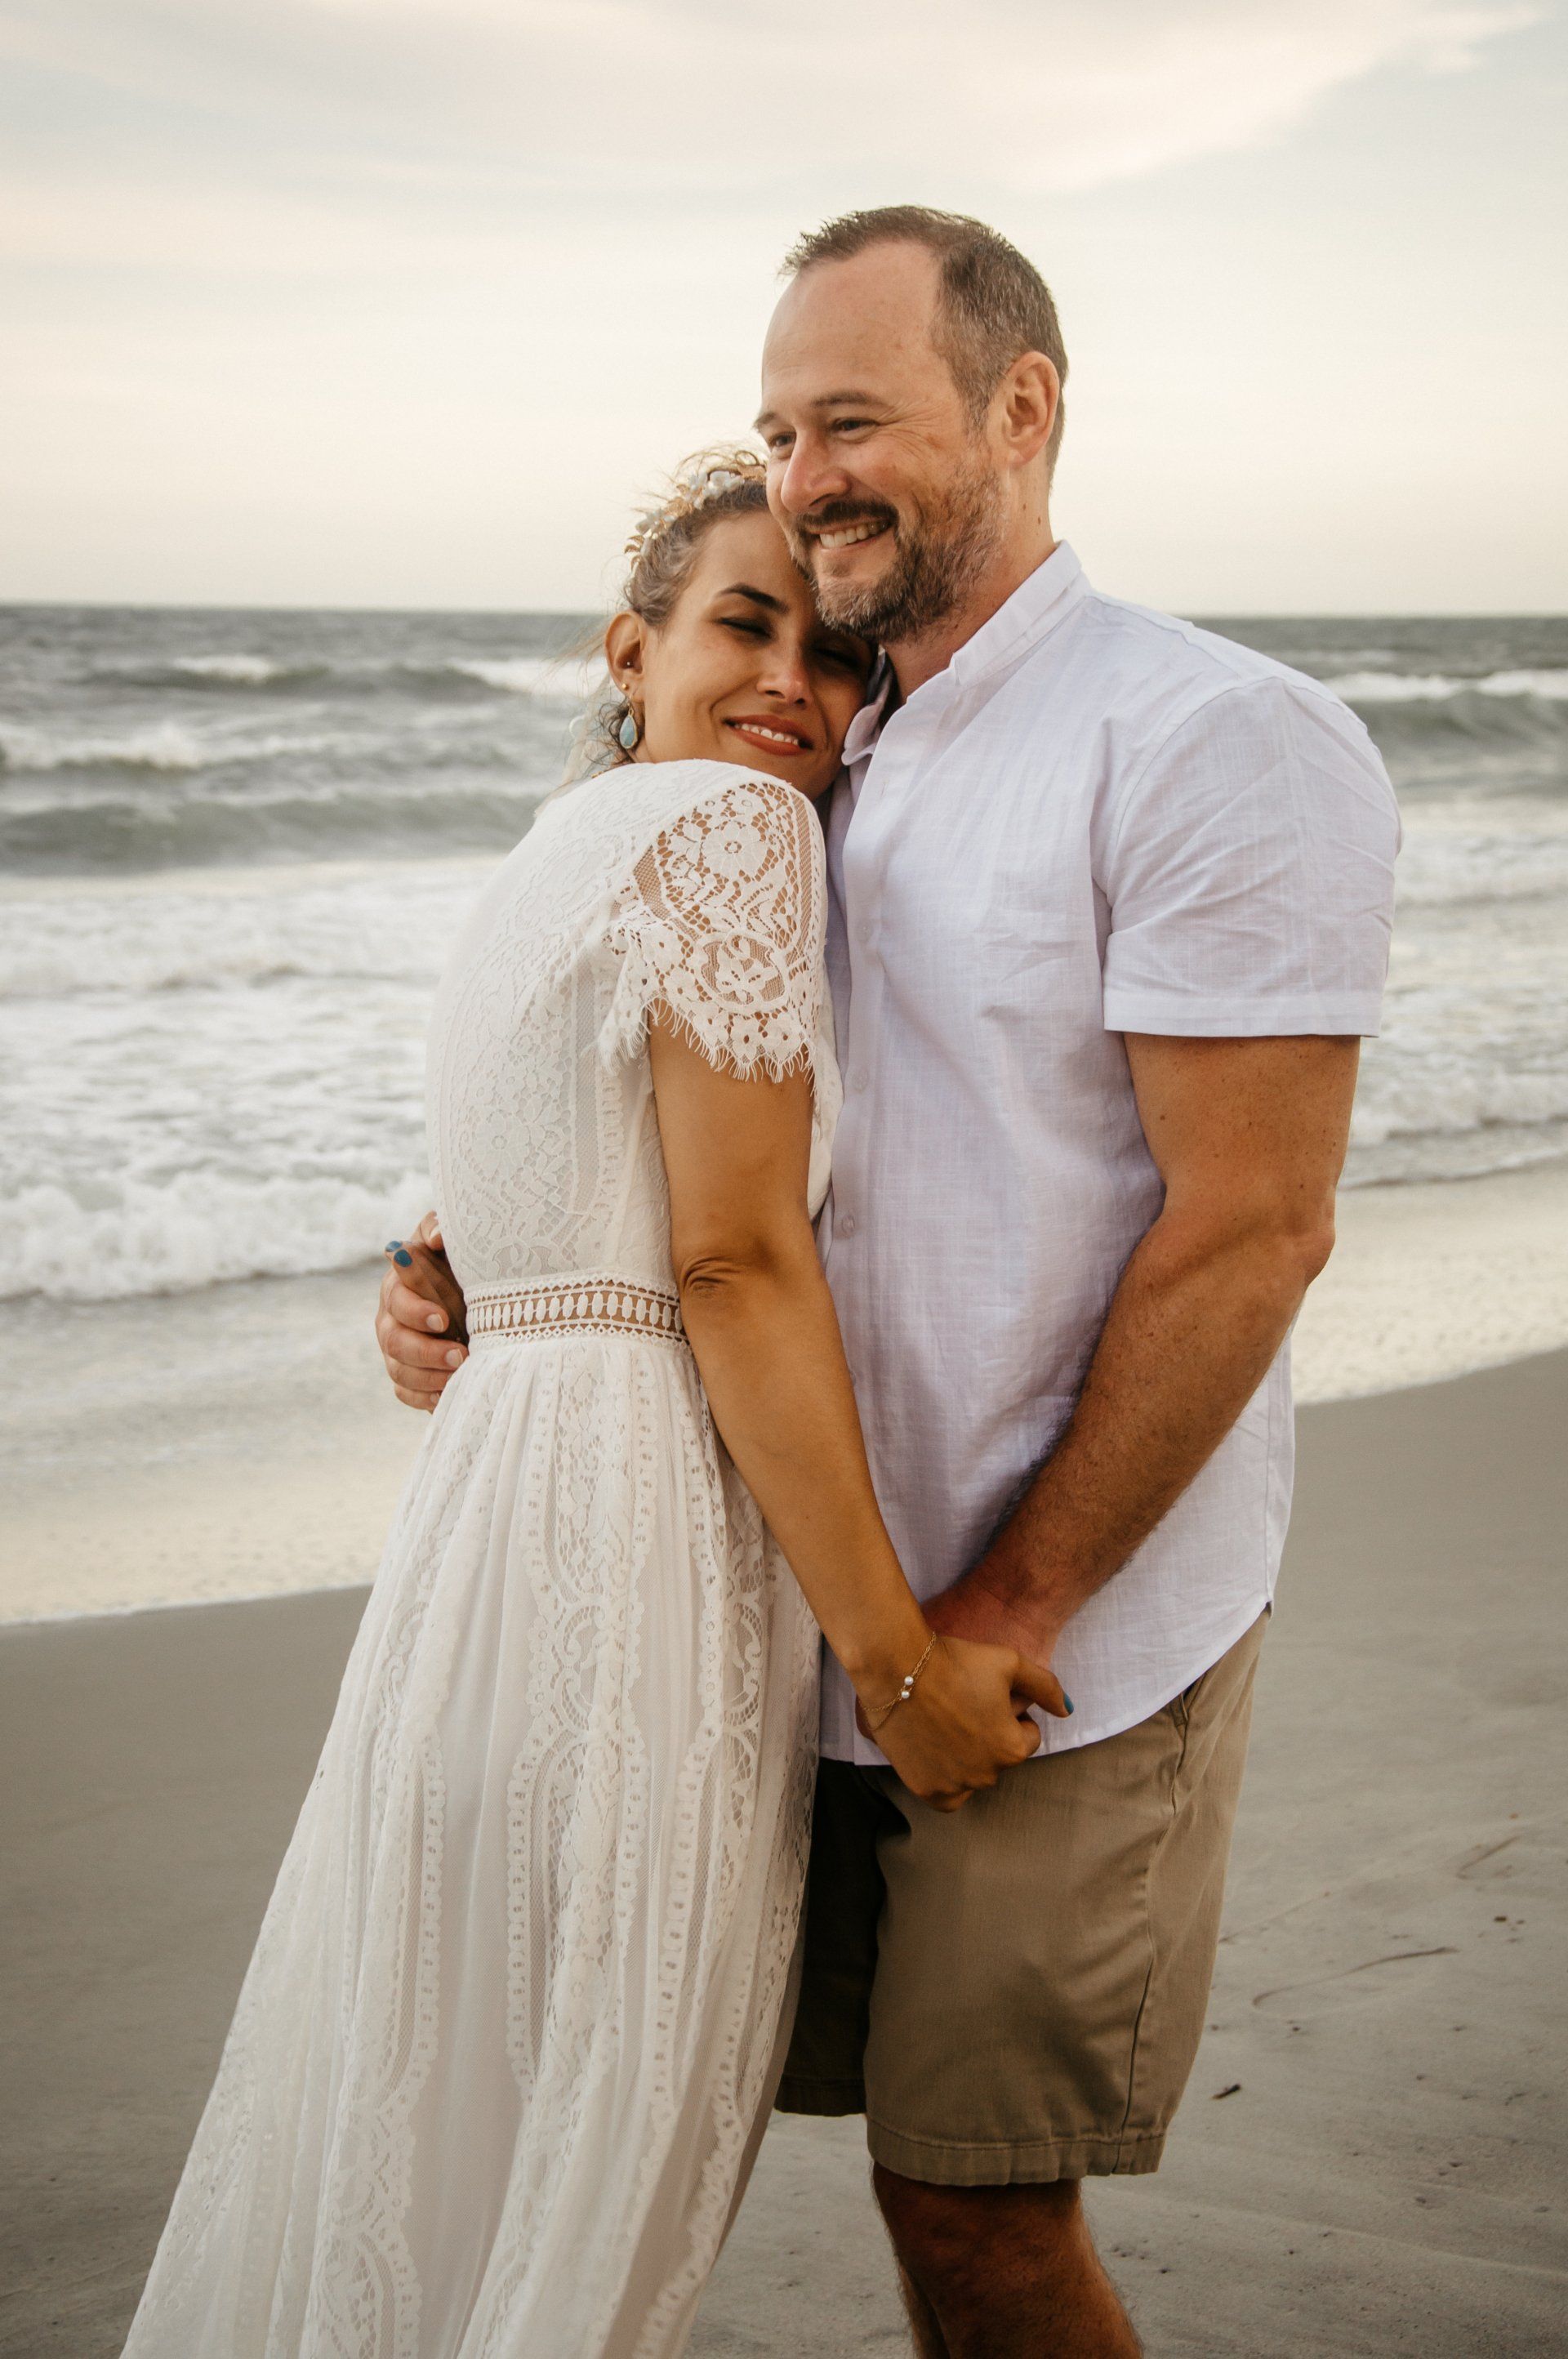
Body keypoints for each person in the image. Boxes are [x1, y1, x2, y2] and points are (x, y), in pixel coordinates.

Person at [381, 210, 1401, 2357]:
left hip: (1054, 1645)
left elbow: (1256, 1225)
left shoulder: (1211, 736)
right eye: (777, 426)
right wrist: (477, 1254)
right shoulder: (818, 763)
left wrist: (1003, 1620)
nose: (809, 469)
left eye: (853, 418)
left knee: (976, 2212)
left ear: (1024, 410)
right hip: (780, 1626)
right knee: (664, 2138)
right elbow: (709, 1124)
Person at [122, 450, 1067, 2359]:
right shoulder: (735, 836)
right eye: (743, 623)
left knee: (425, 2129)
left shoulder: (545, 861)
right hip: (629, 1551)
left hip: (481, 1549)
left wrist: (432, 1282)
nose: (794, 680)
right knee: (581, 2169)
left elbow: (509, 1216)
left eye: (835, 652)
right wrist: (897, 1663)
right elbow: (728, 1263)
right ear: (629, 647)